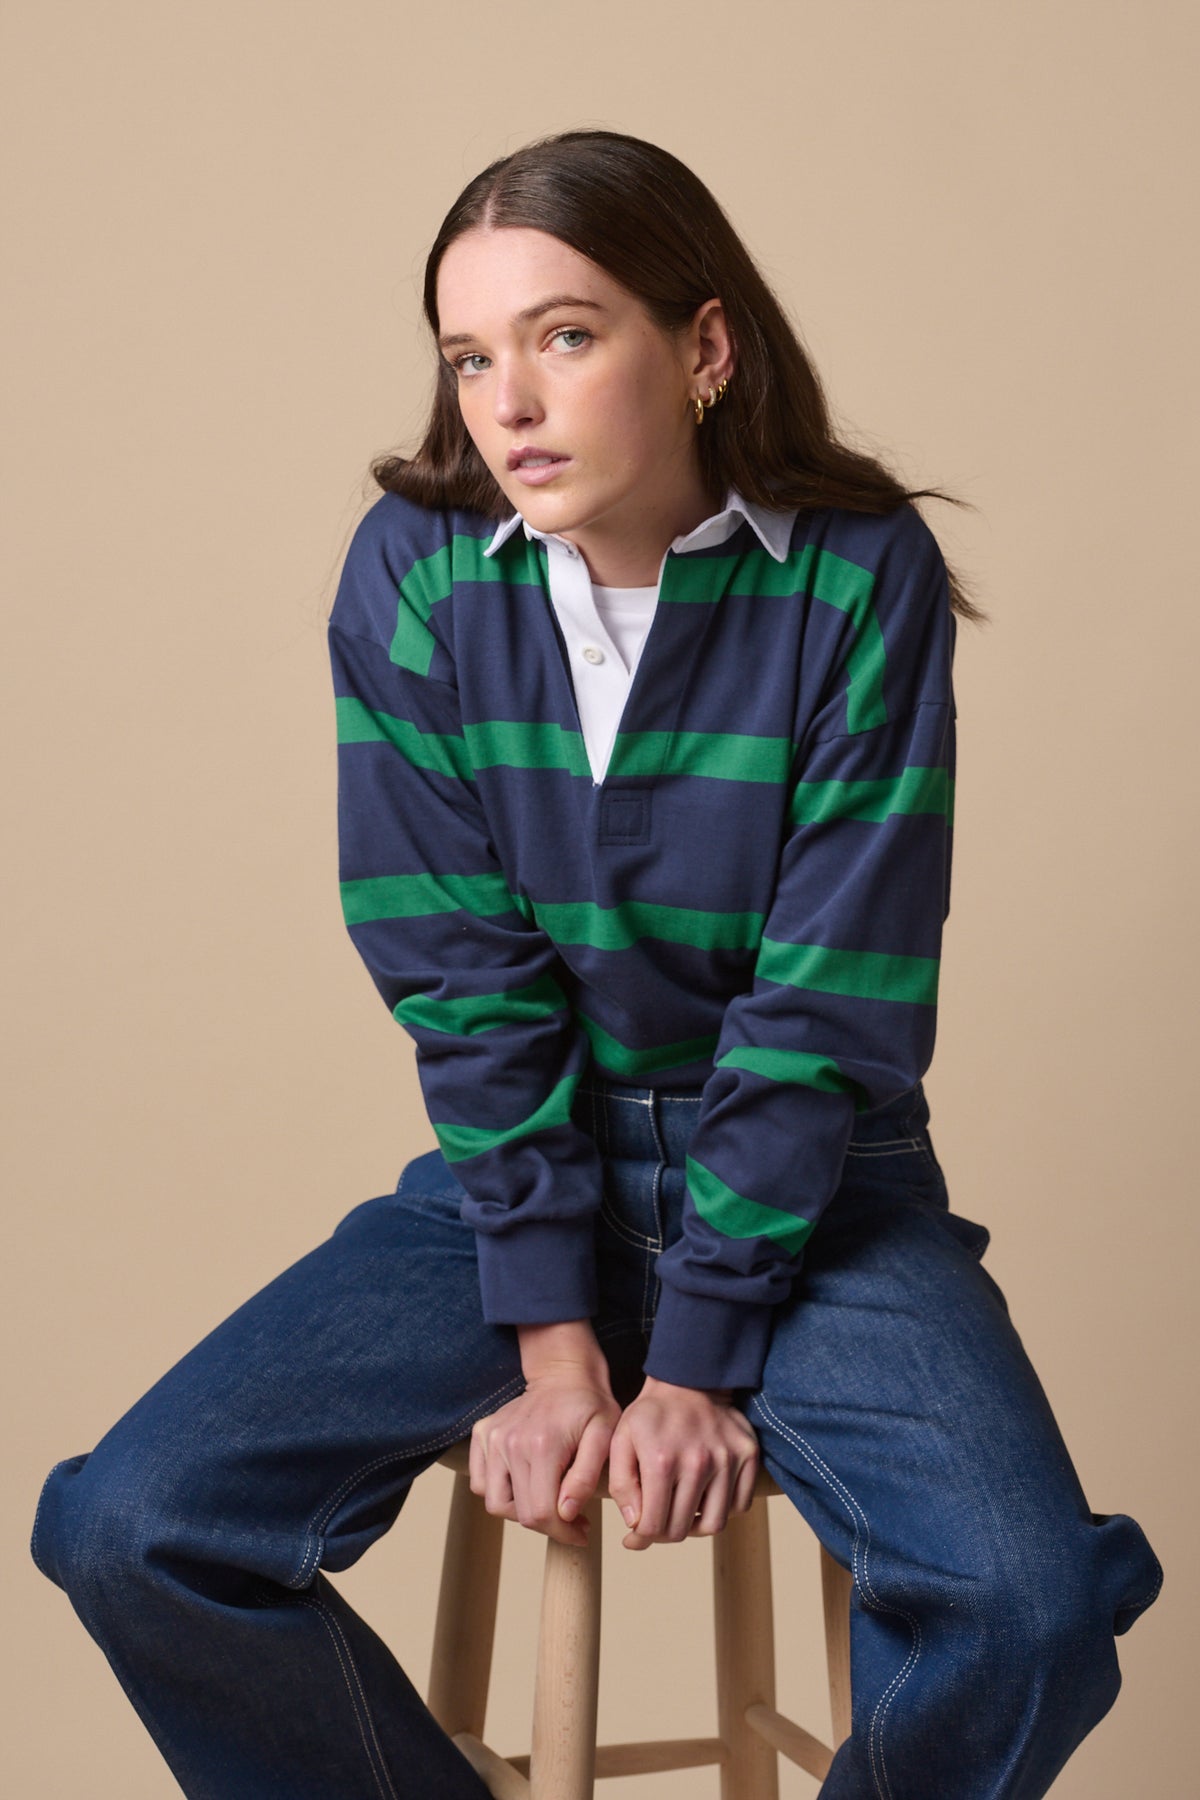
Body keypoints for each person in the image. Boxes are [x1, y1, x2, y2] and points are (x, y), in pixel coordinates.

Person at [30, 128, 1161, 1799]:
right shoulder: (414, 573)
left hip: (819, 1189)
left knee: (1035, 1604)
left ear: (702, 349)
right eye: (469, 355)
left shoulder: (859, 577)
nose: (508, 401)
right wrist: (561, 1350)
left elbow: (829, 999)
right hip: (516, 1178)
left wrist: (697, 1358)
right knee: (132, 1525)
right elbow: (459, 978)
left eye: (564, 336)